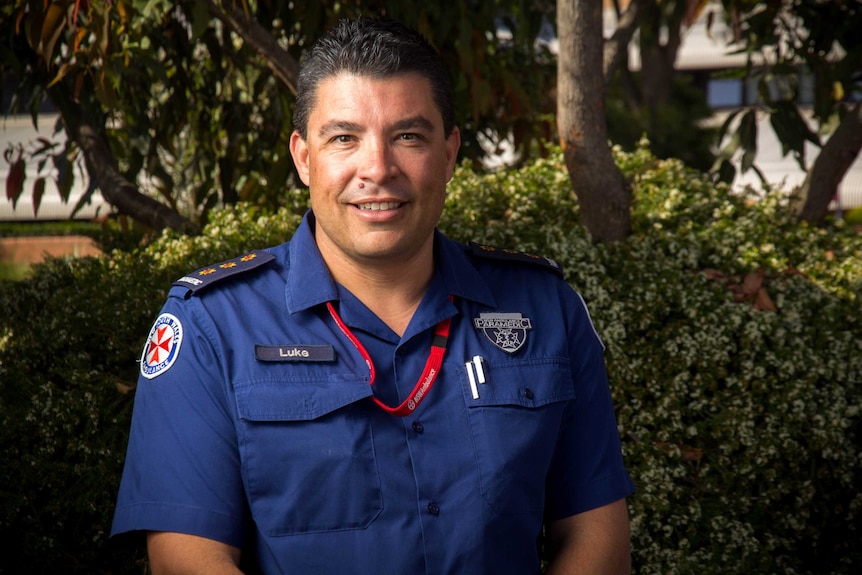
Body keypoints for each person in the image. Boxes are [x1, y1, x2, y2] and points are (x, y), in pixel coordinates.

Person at [111, 17, 635, 574]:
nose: (378, 169)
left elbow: (597, 537)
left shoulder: (545, 309)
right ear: (303, 157)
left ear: (451, 152)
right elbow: (184, 559)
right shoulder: (212, 328)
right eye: (344, 138)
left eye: (408, 136)